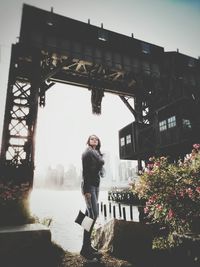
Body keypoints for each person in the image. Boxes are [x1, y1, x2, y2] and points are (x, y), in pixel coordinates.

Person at [80, 134, 105, 260]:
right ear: (88, 141)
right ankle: (86, 248)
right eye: (91, 138)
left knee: (88, 215)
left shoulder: (96, 153)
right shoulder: (87, 153)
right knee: (93, 215)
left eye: (96, 138)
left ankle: (86, 246)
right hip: (89, 187)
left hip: (95, 186)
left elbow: (99, 169)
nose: (94, 140)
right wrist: (86, 190)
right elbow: (85, 172)